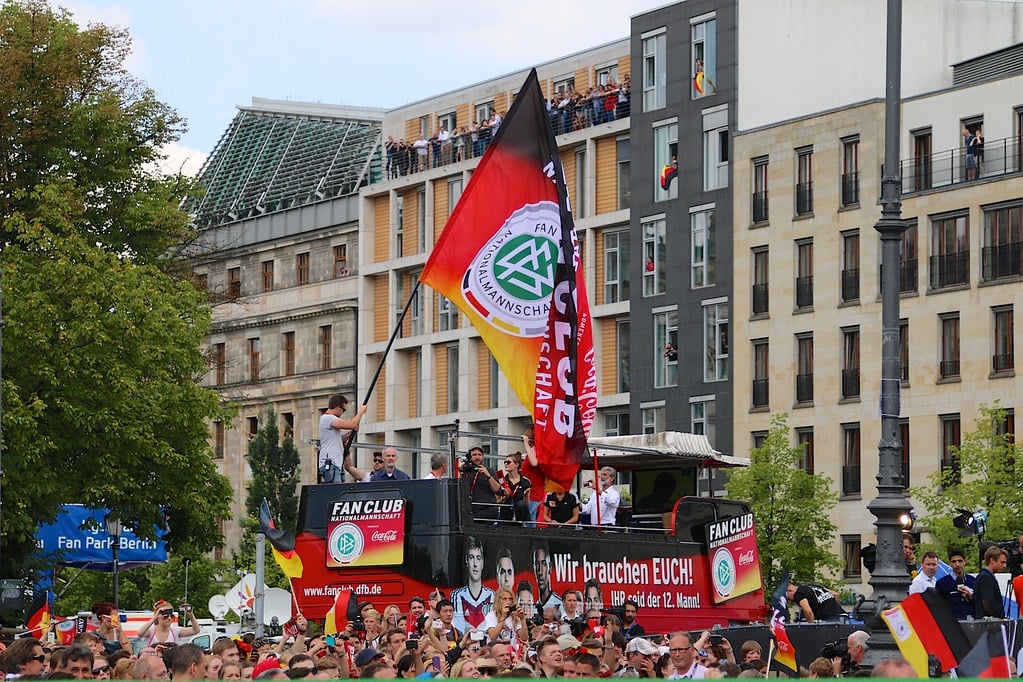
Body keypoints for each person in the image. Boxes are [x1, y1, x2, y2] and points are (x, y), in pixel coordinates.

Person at [318, 394, 366, 483]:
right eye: (343, 410)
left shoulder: (329, 420)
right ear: (338, 407)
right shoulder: (327, 418)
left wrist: (351, 433)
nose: (343, 412)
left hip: (336, 464)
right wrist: (361, 412)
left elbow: (339, 440)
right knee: (335, 492)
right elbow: (351, 424)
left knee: (340, 491)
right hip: (331, 463)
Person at [451, 536, 495, 632]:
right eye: (471, 558)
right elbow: (459, 629)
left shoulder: (492, 594)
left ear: (482, 562)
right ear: (467, 561)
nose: (475, 564)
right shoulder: (457, 595)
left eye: (478, 558)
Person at [461, 446, 503, 521]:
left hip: (487, 509)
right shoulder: (466, 472)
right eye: (474, 455)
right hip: (471, 509)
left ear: (483, 457)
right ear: (470, 457)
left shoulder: (490, 470)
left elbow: (498, 490)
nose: (477, 457)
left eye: (479, 455)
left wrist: (488, 476)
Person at [936, 547, 976, 618]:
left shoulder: (973, 581)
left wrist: (970, 596)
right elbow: (939, 606)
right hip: (952, 623)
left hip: (971, 621)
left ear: (964, 562)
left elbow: (979, 603)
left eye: (960, 561)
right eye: (954, 561)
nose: (957, 564)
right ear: (950, 563)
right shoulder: (942, 583)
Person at [973, 545, 1008, 618]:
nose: (1004, 566)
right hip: (988, 623)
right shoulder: (986, 577)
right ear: (992, 560)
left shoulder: (986, 576)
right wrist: (997, 617)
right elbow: (987, 602)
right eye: (1002, 562)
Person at [500, 452, 532, 523]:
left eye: (508, 462)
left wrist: (526, 496)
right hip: (505, 515)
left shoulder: (525, 482)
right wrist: (504, 498)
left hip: (520, 516)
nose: (505, 464)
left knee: (521, 505)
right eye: (505, 462)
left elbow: (526, 505)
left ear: (516, 465)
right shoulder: (502, 480)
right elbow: (497, 500)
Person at [533, 547, 564, 613]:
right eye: (537, 564)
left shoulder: (559, 604)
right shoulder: (532, 607)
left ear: (550, 567)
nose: (540, 571)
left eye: (543, 563)